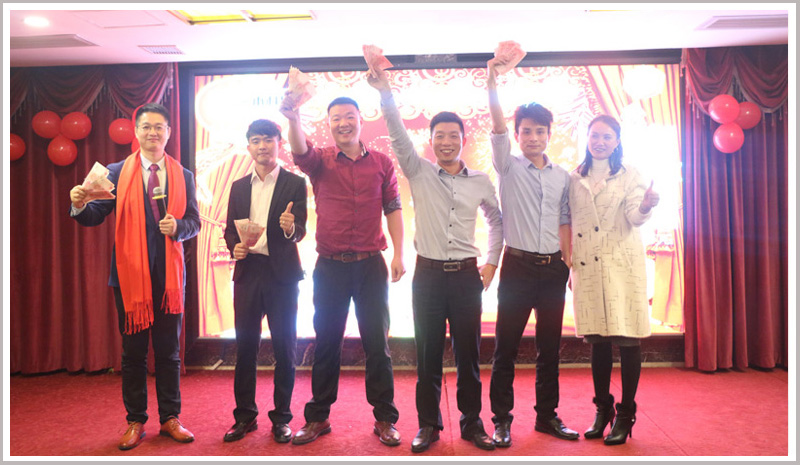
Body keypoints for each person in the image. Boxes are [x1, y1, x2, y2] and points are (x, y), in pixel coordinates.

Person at [367, 68, 503, 453]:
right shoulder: (419, 171)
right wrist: (385, 92)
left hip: (466, 278)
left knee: (468, 358)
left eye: (453, 136)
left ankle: (472, 423)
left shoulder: (480, 181)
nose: (446, 142)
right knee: (426, 357)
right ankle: (428, 425)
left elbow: (497, 220)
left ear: (463, 140)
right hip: (427, 277)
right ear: (430, 141)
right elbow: (397, 133)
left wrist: (491, 263)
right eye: (439, 136)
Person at [69, 102, 200, 450]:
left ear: (169, 132)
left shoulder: (183, 175)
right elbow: (94, 215)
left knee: (169, 352)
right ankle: (135, 420)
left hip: (169, 279)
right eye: (146, 127)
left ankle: (170, 417)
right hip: (129, 278)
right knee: (133, 353)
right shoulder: (115, 172)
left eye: (159, 127)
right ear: (136, 131)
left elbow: (195, 223)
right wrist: (79, 203)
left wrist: (179, 227)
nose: (152, 132)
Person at [279, 92, 405, 447]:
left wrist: (399, 253)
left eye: (349, 116)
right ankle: (318, 417)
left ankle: (385, 418)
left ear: (360, 120)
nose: (343, 123)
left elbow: (393, 208)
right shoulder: (320, 161)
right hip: (330, 268)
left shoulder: (381, 162)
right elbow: (299, 150)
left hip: (371, 266)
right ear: (330, 124)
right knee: (327, 343)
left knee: (377, 344)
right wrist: (293, 118)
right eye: (336, 118)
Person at [485, 61, 576, 447]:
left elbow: (566, 220)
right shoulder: (508, 166)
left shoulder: (563, 176)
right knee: (505, 348)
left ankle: (546, 416)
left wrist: (569, 264)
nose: (533, 137)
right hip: (518, 267)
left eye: (540, 131)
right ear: (518, 134)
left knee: (549, 350)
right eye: (526, 131)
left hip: (553, 269)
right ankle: (501, 420)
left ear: (549, 134)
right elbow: (497, 128)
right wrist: (492, 83)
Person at [568, 115, 659, 446]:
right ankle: (602, 408)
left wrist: (646, 206)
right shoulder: (574, 177)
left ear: (617, 141)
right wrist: (569, 265)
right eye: (595, 135)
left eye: (607, 137)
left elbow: (634, 216)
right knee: (598, 341)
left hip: (621, 266)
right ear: (587, 138)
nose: (600, 142)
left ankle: (625, 413)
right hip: (587, 267)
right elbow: (570, 222)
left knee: (628, 339)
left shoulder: (630, 174)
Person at [222, 119, 308, 444]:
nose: (262, 146)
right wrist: (235, 247)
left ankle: (282, 418)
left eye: (268, 140)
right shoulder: (238, 186)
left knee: (285, 348)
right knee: (245, 348)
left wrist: (290, 227)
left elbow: (300, 230)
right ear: (249, 146)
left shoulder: (295, 183)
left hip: (281, 275)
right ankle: (244, 417)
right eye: (256, 140)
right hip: (248, 273)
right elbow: (230, 230)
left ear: (279, 144)